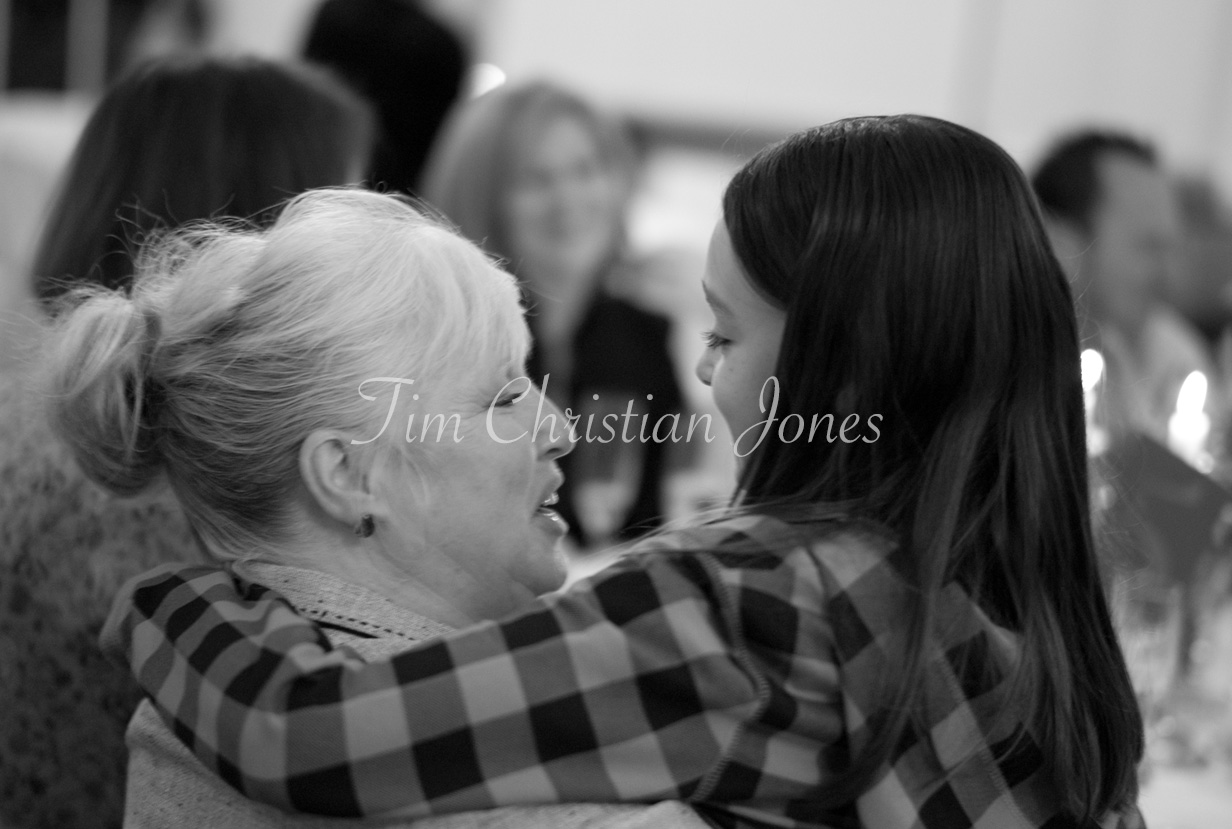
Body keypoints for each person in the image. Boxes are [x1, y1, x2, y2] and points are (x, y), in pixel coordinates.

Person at [101, 116, 1144, 828]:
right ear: (346, 473)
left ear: (841, 363)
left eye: (724, 336)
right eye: (503, 394)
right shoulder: (1008, 588)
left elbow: (304, 732)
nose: (702, 371)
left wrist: (169, 602)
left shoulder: (754, 600)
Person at [40, 188, 706, 828]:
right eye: (502, 398)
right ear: (349, 474)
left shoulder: (195, 694)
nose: (559, 428)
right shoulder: (455, 774)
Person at [0, 55, 373, 829]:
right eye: (348, 199)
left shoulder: (34, 396)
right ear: (258, 226)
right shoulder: (190, 458)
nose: (368, 242)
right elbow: (321, 728)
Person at [420, 80, 687, 547]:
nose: (568, 200)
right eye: (536, 180)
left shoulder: (645, 336)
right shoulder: (448, 340)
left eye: (586, 170)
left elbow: (648, 527)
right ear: (485, 198)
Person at [1031, 130, 1217, 443]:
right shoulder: (1004, 367)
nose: (1169, 275)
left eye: (1170, 248)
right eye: (1149, 247)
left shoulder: (1173, 349)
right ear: (1063, 242)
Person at [302, 0, 469, 194]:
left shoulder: (338, 13)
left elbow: (304, 93)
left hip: (319, 168)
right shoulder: (442, 45)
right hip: (397, 190)